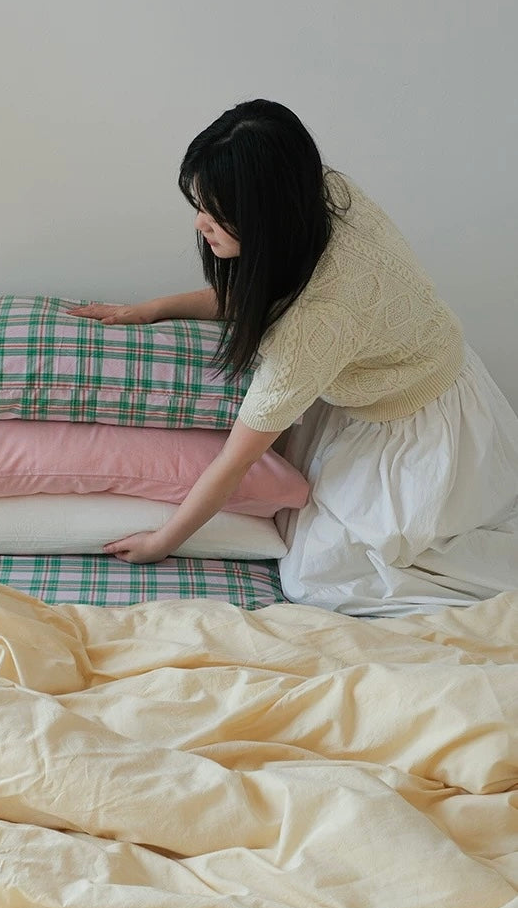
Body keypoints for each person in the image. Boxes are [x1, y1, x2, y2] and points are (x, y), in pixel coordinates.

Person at [69, 99, 518, 617]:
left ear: (265, 219)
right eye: (199, 204)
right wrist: (153, 310)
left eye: (216, 214)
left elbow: (235, 461)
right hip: (400, 372)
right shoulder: (325, 194)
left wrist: (161, 541)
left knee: (322, 581)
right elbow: (270, 292)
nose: (199, 224)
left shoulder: (317, 324)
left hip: (421, 426)